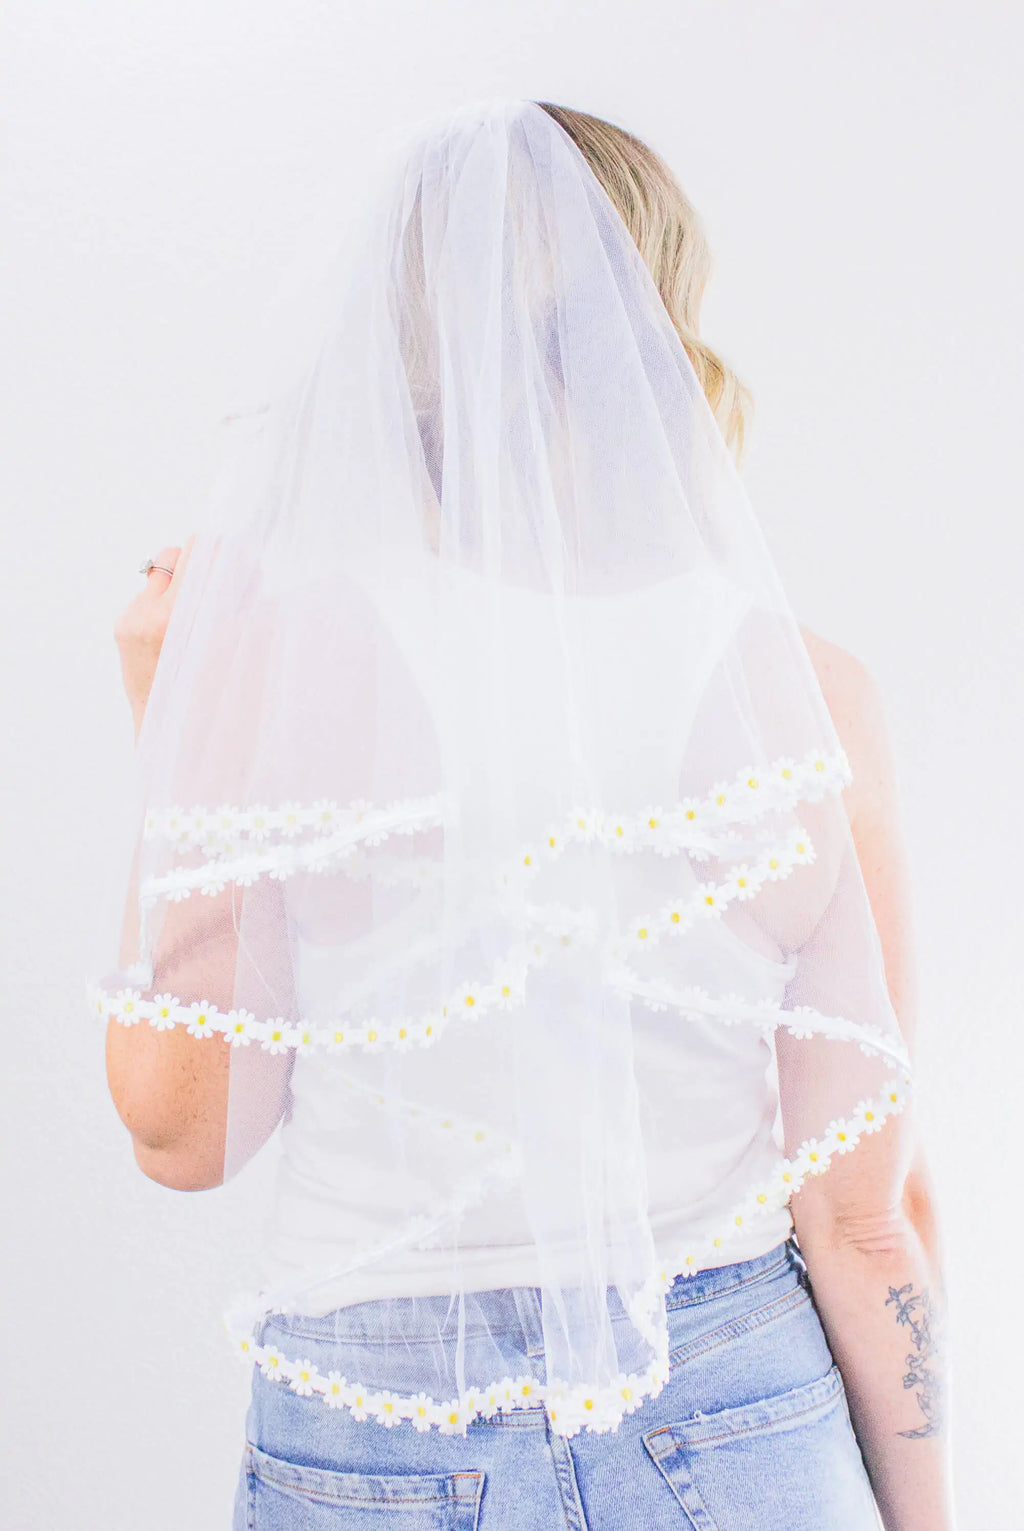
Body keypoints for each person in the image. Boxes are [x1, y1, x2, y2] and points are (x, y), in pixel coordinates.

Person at [101, 100, 951, 1529]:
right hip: (738, 1418)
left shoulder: (288, 665)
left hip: (374, 1433)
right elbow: (868, 1218)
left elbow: (187, 1139)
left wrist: (174, 720)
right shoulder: (808, 696)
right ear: (662, 319)